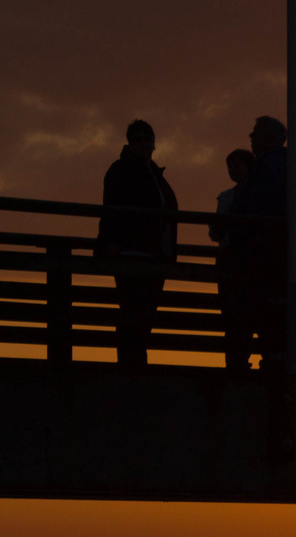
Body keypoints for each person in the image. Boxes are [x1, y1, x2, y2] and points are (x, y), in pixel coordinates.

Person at [97, 119, 177, 366]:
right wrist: (112, 241)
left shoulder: (154, 173)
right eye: (137, 139)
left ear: (154, 143)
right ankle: (130, 366)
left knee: (144, 314)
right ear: (129, 144)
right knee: (133, 312)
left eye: (147, 138)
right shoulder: (121, 170)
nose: (143, 142)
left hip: (154, 254)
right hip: (132, 252)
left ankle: (136, 363)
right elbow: (111, 207)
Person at [230, 116, 292, 374]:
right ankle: (271, 362)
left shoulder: (267, 169)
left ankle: (263, 366)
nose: (250, 136)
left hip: (258, 257)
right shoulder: (273, 167)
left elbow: (257, 210)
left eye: (256, 132)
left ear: (271, 138)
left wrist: (236, 226)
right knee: (268, 313)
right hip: (266, 254)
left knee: (256, 311)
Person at [210, 148, 255, 371]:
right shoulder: (226, 196)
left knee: (242, 315)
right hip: (230, 260)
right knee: (232, 314)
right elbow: (215, 232)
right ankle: (235, 362)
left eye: (237, 165)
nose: (233, 170)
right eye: (231, 166)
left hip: (242, 262)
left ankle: (238, 361)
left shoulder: (243, 197)